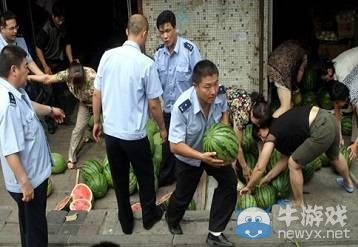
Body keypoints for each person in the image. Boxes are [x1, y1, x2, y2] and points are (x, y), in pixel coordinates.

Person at [92, 14, 166, 234]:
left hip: (112, 134)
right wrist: (162, 128)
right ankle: (148, 218)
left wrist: (96, 121)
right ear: (144, 35)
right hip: (134, 136)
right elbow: (154, 105)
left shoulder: (107, 56)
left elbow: (97, 93)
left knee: (120, 178)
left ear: (127, 31)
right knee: (144, 176)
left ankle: (125, 222)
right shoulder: (146, 64)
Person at [166, 60, 237, 247]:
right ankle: (171, 218)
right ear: (195, 86)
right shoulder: (182, 107)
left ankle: (215, 233)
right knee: (183, 194)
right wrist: (201, 157)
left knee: (229, 183)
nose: (213, 91)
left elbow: (224, 113)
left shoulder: (220, 94)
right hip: (189, 155)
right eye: (208, 87)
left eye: (216, 84)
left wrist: (224, 134)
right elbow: (174, 145)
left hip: (212, 150)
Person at [0, 45, 65, 246]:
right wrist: (25, 183)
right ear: (13, 70)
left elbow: (30, 107)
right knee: (36, 231)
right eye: (25, 67)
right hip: (28, 181)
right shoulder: (7, 104)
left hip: (33, 177)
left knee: (29, 226)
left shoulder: (16, 91)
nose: (28, 71)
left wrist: (51, 109)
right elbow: (9, 149)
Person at [240, 106, 354, 207]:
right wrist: (267, 178)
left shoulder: (273, 133)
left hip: (320, 127)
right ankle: (348, 184)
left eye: (261, 135)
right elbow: (283, 160)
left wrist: (249, 187)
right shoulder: (281, 127)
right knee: (336, 157)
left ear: (263, 127)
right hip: (328, 118)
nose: (262, 139)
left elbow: (260, 167)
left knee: (294, 164)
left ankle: (298, 203)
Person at [154, 10, 201, 186]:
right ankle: (167, 180)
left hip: (187, 110)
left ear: (176, 29)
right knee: (168, 146)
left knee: (185, 147)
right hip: (168, 109)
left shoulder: (189, 50)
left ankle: (187, 180)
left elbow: (200, 79)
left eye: (168, 30)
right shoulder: (158, 54)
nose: (165, 36)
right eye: (161, 32)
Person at [28, 61, 96, 169]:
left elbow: (100, 95)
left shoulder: (92, 77)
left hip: (99, 102)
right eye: (71, 82)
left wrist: (97, 119)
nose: (73, 86)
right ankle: (71, 157)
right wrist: (29, 77)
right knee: (78, 129)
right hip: (84, 103)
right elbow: (47, 79)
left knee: (107, 127)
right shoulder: (67, 74)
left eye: (77, 84)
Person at [35, 1, 76, 132]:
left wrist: (71, 62)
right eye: (58, 18)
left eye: (62, 19)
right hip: (46, 63)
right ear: (53, 16)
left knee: (60, 92)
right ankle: (50, 121)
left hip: (58, 63)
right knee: (49, 93)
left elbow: (67, 45)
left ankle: (62, 117)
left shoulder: (64, 27)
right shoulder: (45, 29)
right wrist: (45, 65)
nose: (60, 21)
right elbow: (38, 48)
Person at [226, 86, 271, 182]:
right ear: (251, 113)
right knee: (230, 149)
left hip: (232, 110)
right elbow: (236, 145)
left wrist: (261, 161)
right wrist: (245, 167)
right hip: (220, 108)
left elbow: (258, 139)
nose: (258, 125)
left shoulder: (257, 104)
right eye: (257, 123)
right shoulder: (242, 116)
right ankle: (232, 179)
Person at [320, 48, 358, 148]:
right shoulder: (340, 88)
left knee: (356, 109)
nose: (336, 104)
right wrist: (339, 136)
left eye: (326, 79)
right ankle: (354, 143)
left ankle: (355, 144)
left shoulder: (353, 96)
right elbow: (337, 112)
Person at [268, 40, 307, 118]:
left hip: (270, 65)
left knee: (288, 104)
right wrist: (297, 86)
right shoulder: (304, 54)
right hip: (281, 72)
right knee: (285, 107)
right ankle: (270, 126)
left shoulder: (289, 43)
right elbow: (300, 75)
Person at [0, 10, 44, 75]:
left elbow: (28, 61)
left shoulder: (20, 40)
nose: (15, 31)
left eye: (16, 27)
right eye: (11, 28)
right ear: (2, 29)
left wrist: (42, 76)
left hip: (22, 81)